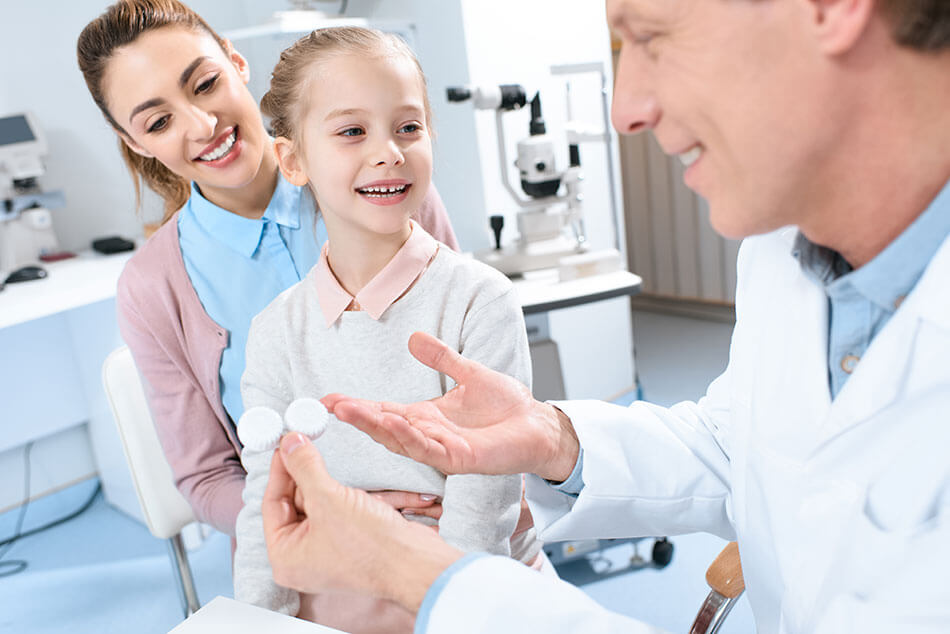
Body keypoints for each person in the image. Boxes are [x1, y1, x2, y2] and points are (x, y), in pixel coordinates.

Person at [260, 0, 950, 632]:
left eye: (651, 37)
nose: (624, 112)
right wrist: (555, 440)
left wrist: (413, 573)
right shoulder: (783, 254)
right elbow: (739, 446)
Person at [75, 0, 459, 537]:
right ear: (137, 143)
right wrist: (321, 522)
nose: (202, 125)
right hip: (307, 547)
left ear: (236, 64)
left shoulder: (383, 180)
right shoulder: (153, 287)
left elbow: (466, 365)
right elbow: (207, 477)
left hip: (447, 507)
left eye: (205, 84)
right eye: (159, 121)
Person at [232, 27, 546, 632]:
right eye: (352, 131)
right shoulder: (276, 330)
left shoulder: (479, 300)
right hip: (340, 586)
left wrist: (449, 609)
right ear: (293, 161)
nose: (390, 152)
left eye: (408, 127)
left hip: (465, 591)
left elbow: (483, 502)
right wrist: (258, 620)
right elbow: (262, 503)